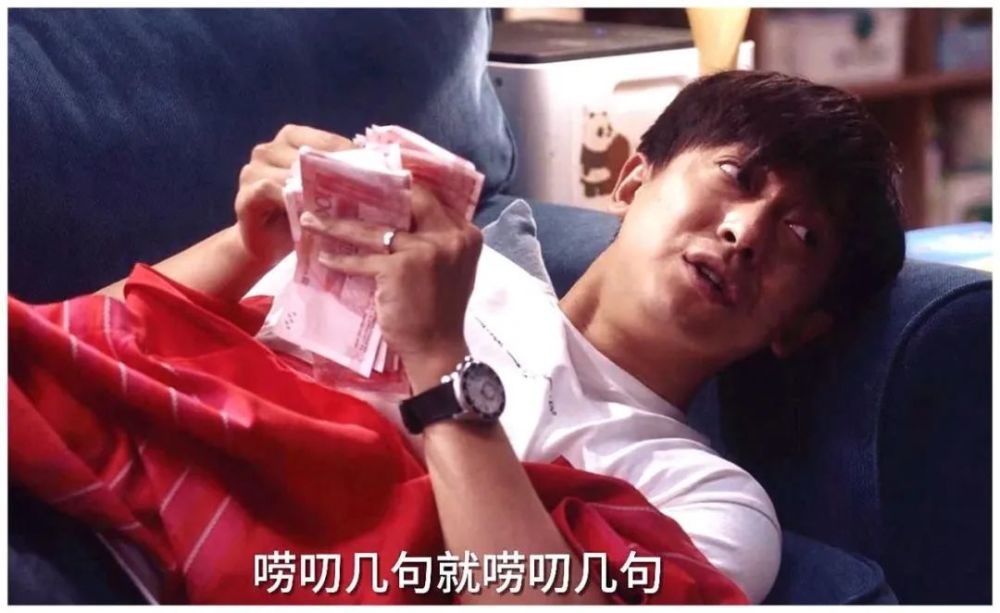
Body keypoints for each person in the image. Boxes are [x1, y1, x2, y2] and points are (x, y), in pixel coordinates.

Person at [83, 70, 904, 604]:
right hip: (94, 512)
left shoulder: (712, 502)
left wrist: (439, 358)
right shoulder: (435, 254)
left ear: (802, 326)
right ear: (632, 176)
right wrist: (249, 246)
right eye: (738, 176)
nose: (745, 233)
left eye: (801, 237)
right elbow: (82, 346)